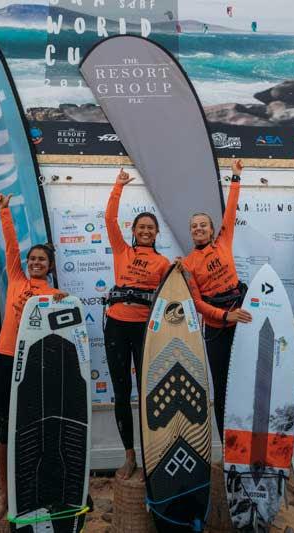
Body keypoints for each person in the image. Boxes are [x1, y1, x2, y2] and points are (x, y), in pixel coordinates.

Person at [0, 192, 67, 519]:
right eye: (32, 259)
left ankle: (32, 484)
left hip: (34, 365)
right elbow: (10, 246)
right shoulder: (17, 279)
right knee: (5, 429)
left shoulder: (55, 295)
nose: (35, 263)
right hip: (5, 361)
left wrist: (64, 302)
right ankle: (6, 494)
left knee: (33, 429)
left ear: (50, 267)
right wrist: (5, 212)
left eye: (42, 260)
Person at [177, 159, 252, 441]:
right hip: (218, 329)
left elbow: (231, 210)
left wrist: (235, 177)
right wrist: (224, 317)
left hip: (242, 321)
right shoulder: (188, 263)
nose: (198, 229)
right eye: (194, 226)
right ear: (191, 232)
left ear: (211, 230)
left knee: (245, 383)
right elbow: (196, 304)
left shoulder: (223, 241)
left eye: (203, 225)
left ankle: (248, 440)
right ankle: (228, 445)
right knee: (222, 388)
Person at [104, 169, 171, 480]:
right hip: (116, 326)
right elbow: (108, 219)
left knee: (148, 392)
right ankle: (129, 456)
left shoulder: (163, 263)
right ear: (134, 230)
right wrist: (118, 186)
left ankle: (151, 455)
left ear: (157, 234)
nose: (146, 231)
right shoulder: (122, 251)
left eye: (151, 228)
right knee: (121, 392)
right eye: (141, 227)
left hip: (145, 330)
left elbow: (173, 297)